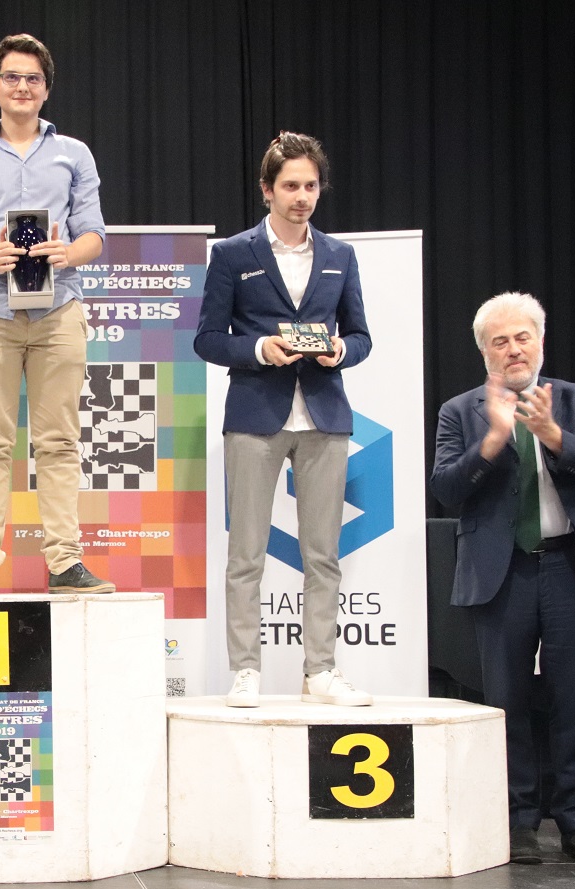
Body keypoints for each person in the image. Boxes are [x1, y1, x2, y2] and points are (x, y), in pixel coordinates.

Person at [431, 292, 575, 866]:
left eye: (522, 338)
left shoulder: (574, 399)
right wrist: (492, 441)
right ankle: (517, 822)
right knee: (506, 702)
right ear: (485, 352)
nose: (513, 349)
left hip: (567, 565)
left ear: (539, 341)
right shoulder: (459, 411)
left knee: (573, 701)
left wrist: (552, 434)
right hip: (501, 571)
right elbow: (446, 488)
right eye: (500, 342)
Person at [194, 132, 372, 708]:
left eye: (311, 186)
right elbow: (207, 339)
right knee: (246, 554)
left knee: (323, 555)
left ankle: (320, 671)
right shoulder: (233, 254)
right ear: (267, 190)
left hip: (324, 414)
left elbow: (362, 336)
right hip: (254, 415)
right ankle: (245, 670)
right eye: (291, 185)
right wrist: (258, 349)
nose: (302, 196)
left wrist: (341, 350)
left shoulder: (340, 255)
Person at [0, 34, 114, 596]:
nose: (22, 87)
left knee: (59, 441)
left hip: (59, 310)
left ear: (46, 89)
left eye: (33, 78)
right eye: (11, 77)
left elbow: (95, 234)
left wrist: (68, 252)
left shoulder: (74, 154)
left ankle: (65, 563)